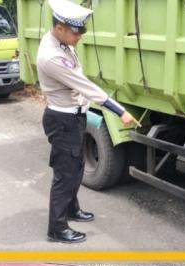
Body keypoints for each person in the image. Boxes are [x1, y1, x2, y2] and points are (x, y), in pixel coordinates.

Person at [37, 0, 141, 244]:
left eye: (82, 30)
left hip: (73, 117)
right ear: (60, 27)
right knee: (65, 174)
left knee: (76, 167)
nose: (80, 36)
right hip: (63, 120)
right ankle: (57, 228)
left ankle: (71, 209)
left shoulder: (61, 43)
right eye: (76, 31)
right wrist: (120, 111)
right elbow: (86, 86)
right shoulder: (52, 57)